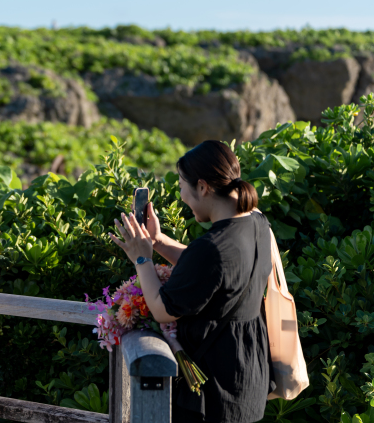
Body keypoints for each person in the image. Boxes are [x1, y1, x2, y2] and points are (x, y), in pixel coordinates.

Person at [109, 140, 273, 423]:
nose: (182, 194)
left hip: (214, 388)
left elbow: (162, 309)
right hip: (247, 375)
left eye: (182, 184)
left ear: (203, 187)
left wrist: (141, 259)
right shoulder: (256, 223)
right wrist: (157, 241)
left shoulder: (212, 247)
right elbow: (214, 270)